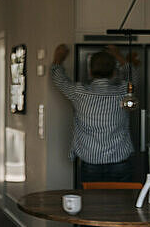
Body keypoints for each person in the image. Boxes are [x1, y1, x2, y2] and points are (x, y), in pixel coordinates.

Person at [51, 44, 140, 183]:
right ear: (114, 72)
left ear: (90, 72)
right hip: (120, 161)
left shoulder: (79, 92)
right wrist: (118, 55)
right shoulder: (123, 91)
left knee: (91, 203)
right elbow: (132, 75)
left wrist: (58, 59)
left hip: (90, 162)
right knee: (122, 203)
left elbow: (59, 79)